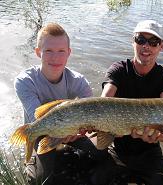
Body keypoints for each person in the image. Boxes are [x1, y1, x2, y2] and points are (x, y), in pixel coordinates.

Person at [90, 20, 163, 185]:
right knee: (96, 179)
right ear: (133, 41)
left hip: (148, 150)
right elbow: (103, 103)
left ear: (162, 46)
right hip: (116, 144)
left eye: (153, 42)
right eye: (141, 40)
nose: (146, 46)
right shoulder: (118, 69)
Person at [14, 23, 96, 185]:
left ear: (69, 53)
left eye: (61, 51)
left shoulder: (79, 81)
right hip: (40, 132)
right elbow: (36, 118)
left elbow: (92, 114)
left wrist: (81, 131)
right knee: (42, 179)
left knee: (101, 158)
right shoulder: (24, 81)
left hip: (72, 130)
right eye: (48, 51)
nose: (55, 58)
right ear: (38, 53)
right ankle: (33, 162)